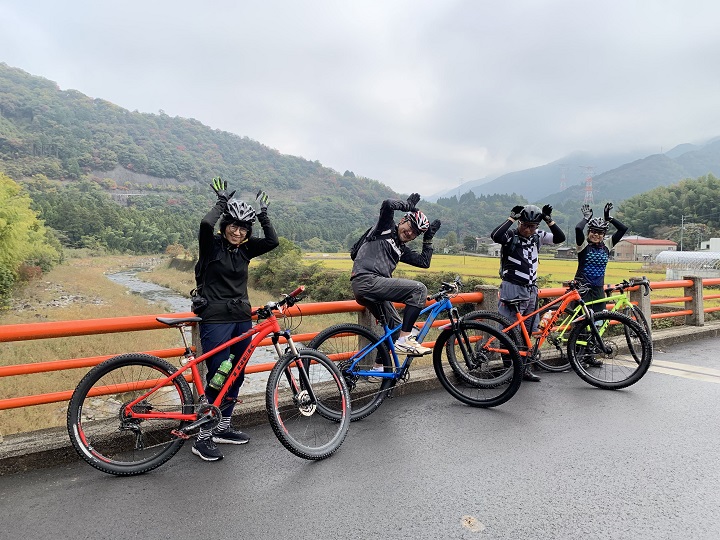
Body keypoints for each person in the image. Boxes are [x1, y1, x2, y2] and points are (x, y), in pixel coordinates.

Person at [191, 177, 279, 461]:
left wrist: (264, 215)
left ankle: (224, 426)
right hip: (215, 318)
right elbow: (205, 224)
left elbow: (273, 241)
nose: (238, 232)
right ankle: (203, 437)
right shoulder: (211, 245)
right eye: (233, 226)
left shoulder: (245, 249)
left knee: (237, 372)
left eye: (243, 228)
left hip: (242, 317)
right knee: (217, 376)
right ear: (225, 225)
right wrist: (220, 202)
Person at [350, 193, 441, 357]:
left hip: (372, 288)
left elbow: (423, 262)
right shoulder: (385, 227)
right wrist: (407, 205)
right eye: (410, 227)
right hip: (367, 280)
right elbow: (387, 204)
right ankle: (405, 340)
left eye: (415, 233)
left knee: (396, 329)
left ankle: (379, 369)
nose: (410, 233)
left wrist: (428, 239)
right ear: (402, 220)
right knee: (419, 290)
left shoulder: (401, 248)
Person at [490, 203, 566, 381]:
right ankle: (509, 370)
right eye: (524, 225)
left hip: (531, 290)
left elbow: (559, 238)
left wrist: (548, 220)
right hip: (513, 287)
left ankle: (523, 369)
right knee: (510, 330)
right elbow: (496, 235)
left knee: (527, 331)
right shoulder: (510, 235)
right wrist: (511, 218)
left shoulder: (538, 236)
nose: (528, 229)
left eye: (532, 226)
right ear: (519, 223)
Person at [573, 202, 628, 366]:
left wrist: (609, 218)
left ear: (604, 234)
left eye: (600, 233)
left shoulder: (607, 245)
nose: (596, 235)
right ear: (589, 232)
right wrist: (585, 219)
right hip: (583, 289)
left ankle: (590, 355)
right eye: (593, 232)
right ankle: (578, 356)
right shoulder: (582, 246)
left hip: (598, 290)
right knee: (581, 323)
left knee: (598, 323)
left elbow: (623, 229)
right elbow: (577, 229)